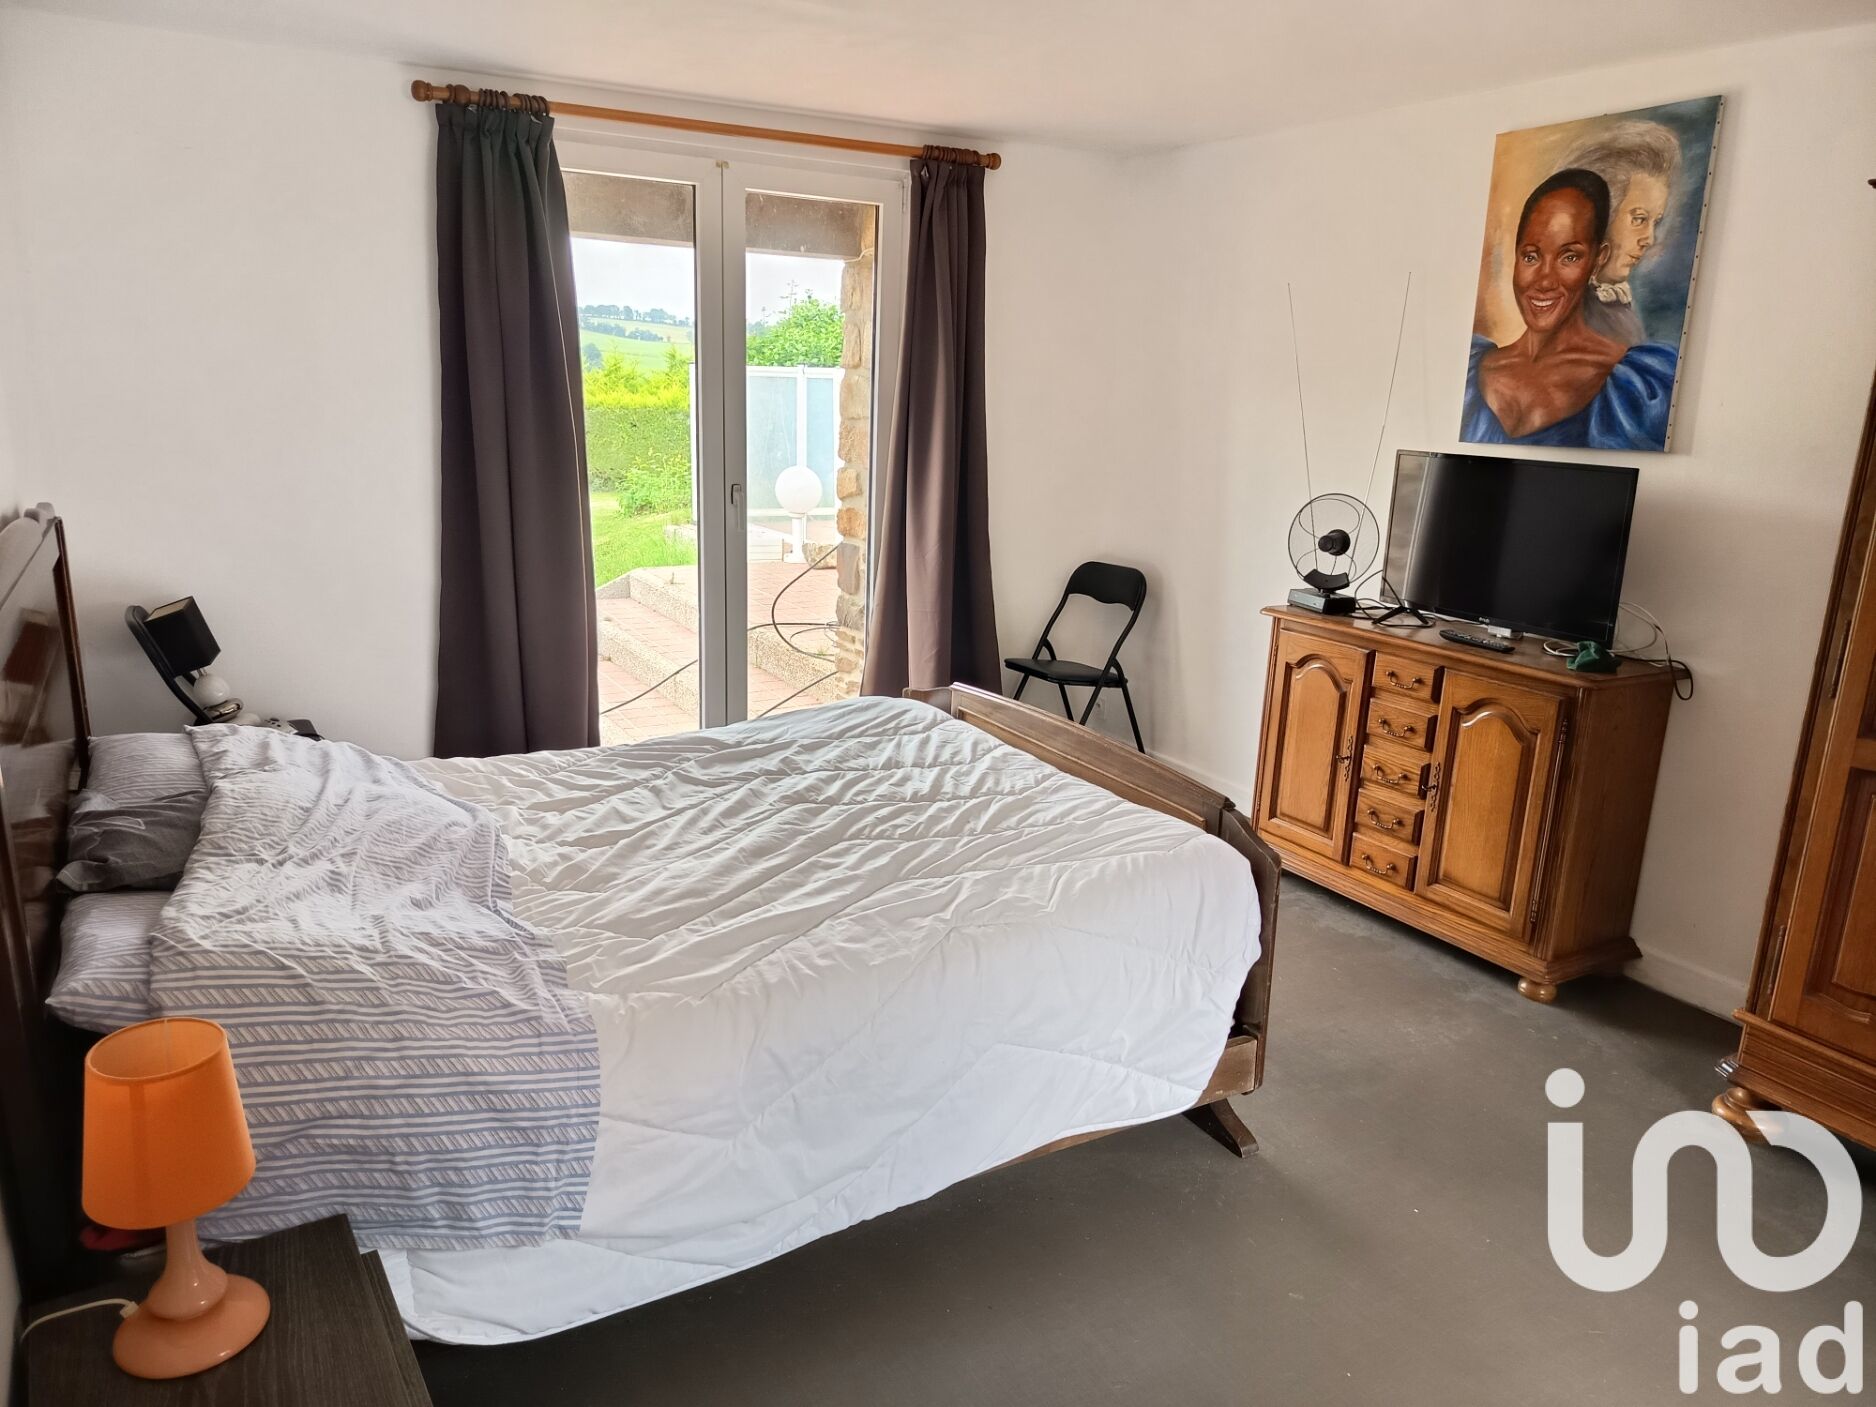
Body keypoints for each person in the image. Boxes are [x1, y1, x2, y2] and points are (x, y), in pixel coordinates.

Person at [1461, 167, 1676, 451]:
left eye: (1569, 257)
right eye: (1531, 256)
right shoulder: (1468, 368)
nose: (1544, 280)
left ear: (1598, 259)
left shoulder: (1640, 390)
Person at [1560, 121, 1682, 346]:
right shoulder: (1560, 308)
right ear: (1599, 214)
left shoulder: (1615, 307)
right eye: (1639, 219)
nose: (1649, 239)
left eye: (1655, 222)